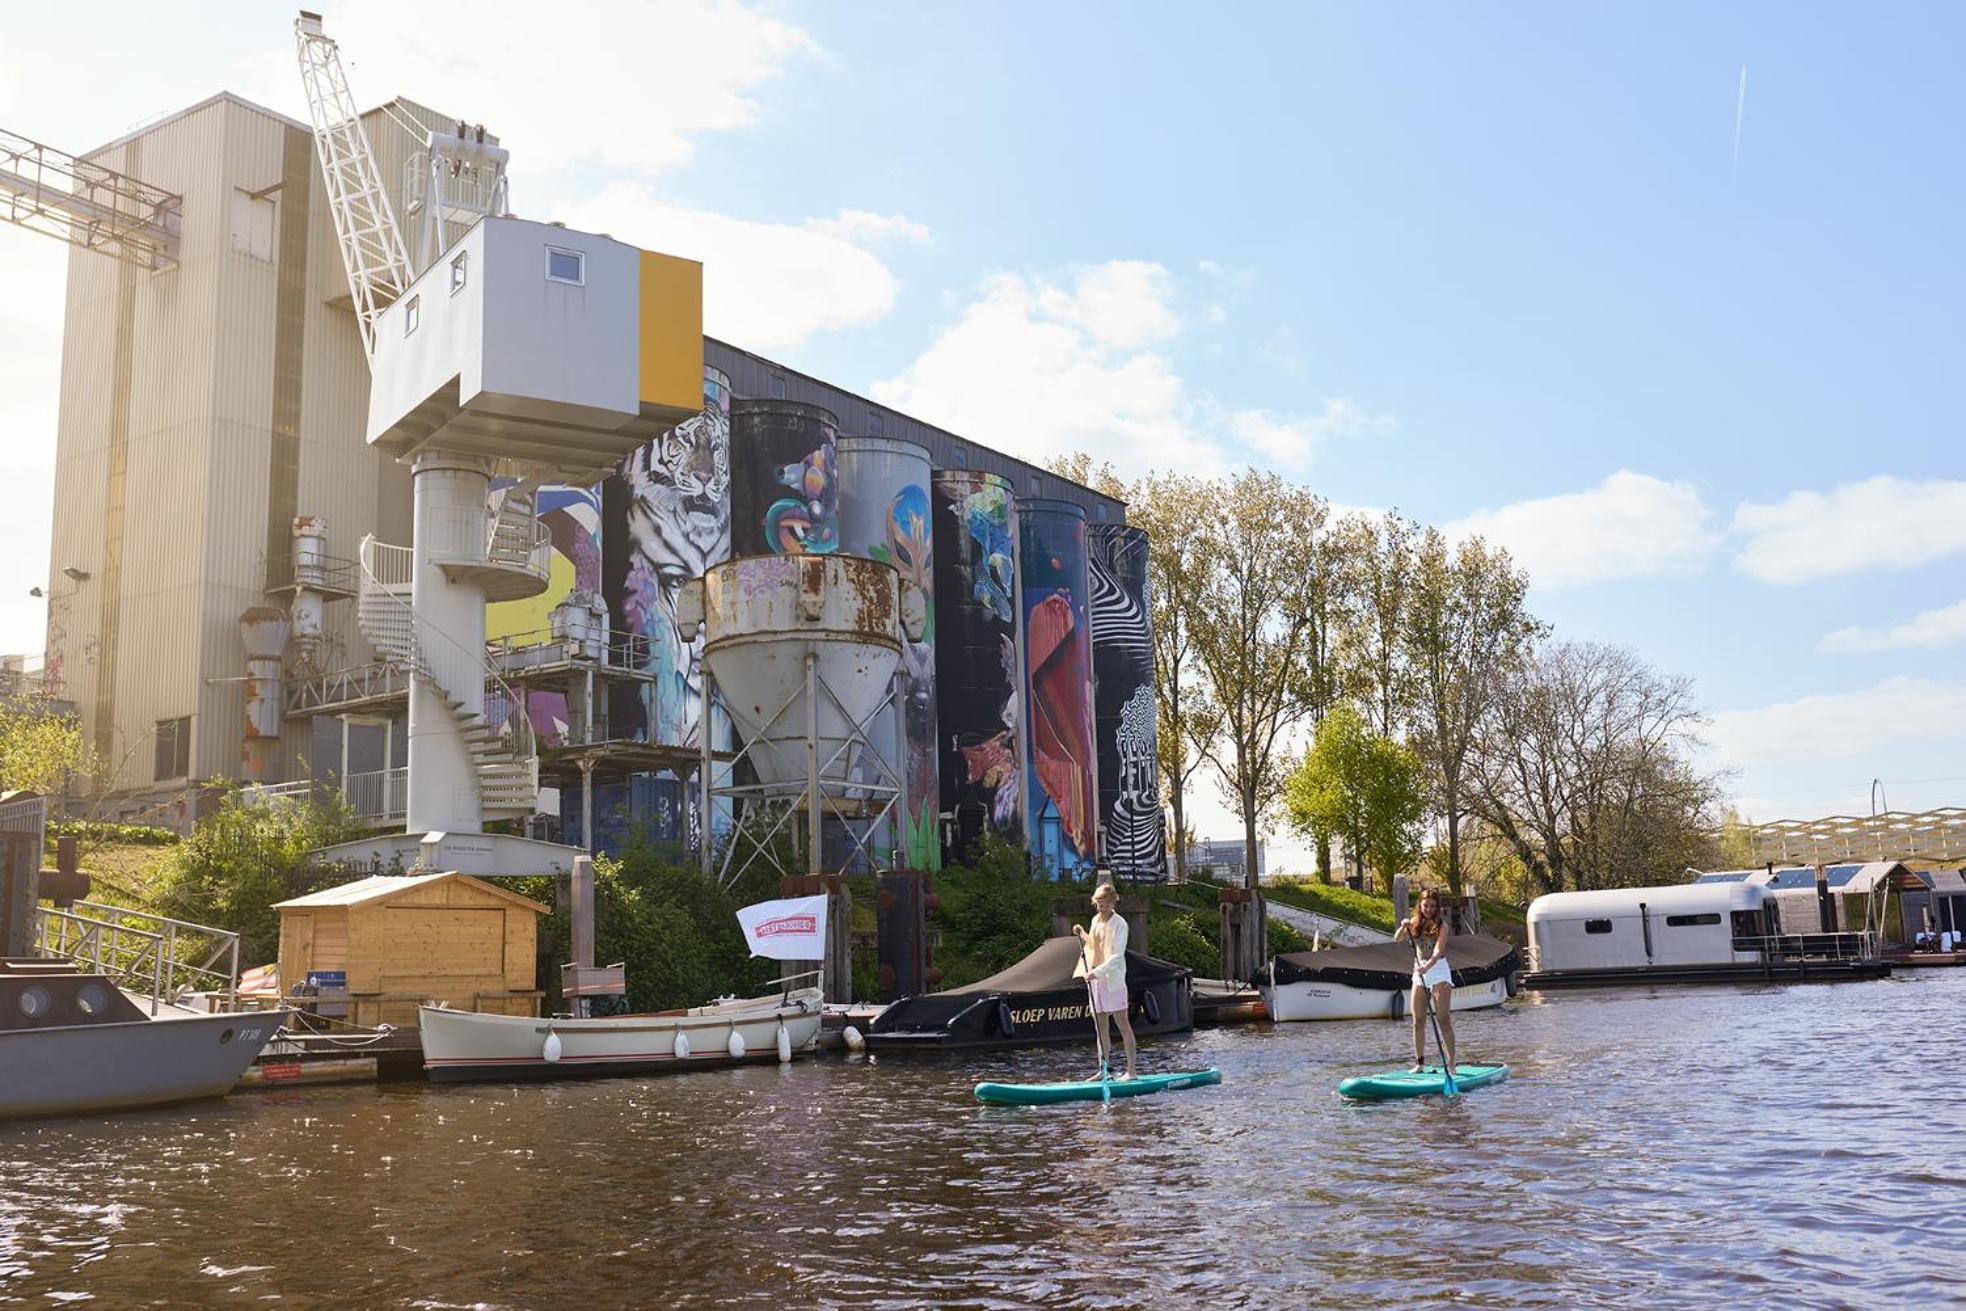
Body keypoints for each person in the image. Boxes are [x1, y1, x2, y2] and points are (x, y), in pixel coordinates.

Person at [1073, 882, 1137, 1082]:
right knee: (1100, 1027)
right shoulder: (1095, 920)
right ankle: (1104, 1069)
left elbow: (1117, 956)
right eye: (1099, 901)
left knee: (1123, 1024)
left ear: (1113, 901)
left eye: (1105, 901)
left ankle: (1132, 1072)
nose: (1102, 905)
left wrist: (1097, 972)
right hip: (1095, 981)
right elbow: (1094, 945)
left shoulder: (1120, 924)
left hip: (1113, 980)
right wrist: (1082, 933)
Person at [1392, 886, 1456, 1073]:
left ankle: (1451, 1064)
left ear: (1437, 908)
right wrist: (1403, 927)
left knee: (1443, 1019)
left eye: (1433, 906)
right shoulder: (1414, 922)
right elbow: (1397, 939)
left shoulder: (1443, 926)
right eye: (1426, 905)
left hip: (1438, 971)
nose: (1429, 909)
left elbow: (1437, 952)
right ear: (1420, 905)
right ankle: (1420, 1063)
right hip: (1419, 972)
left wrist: (1427, 967)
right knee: (1418, 1019)